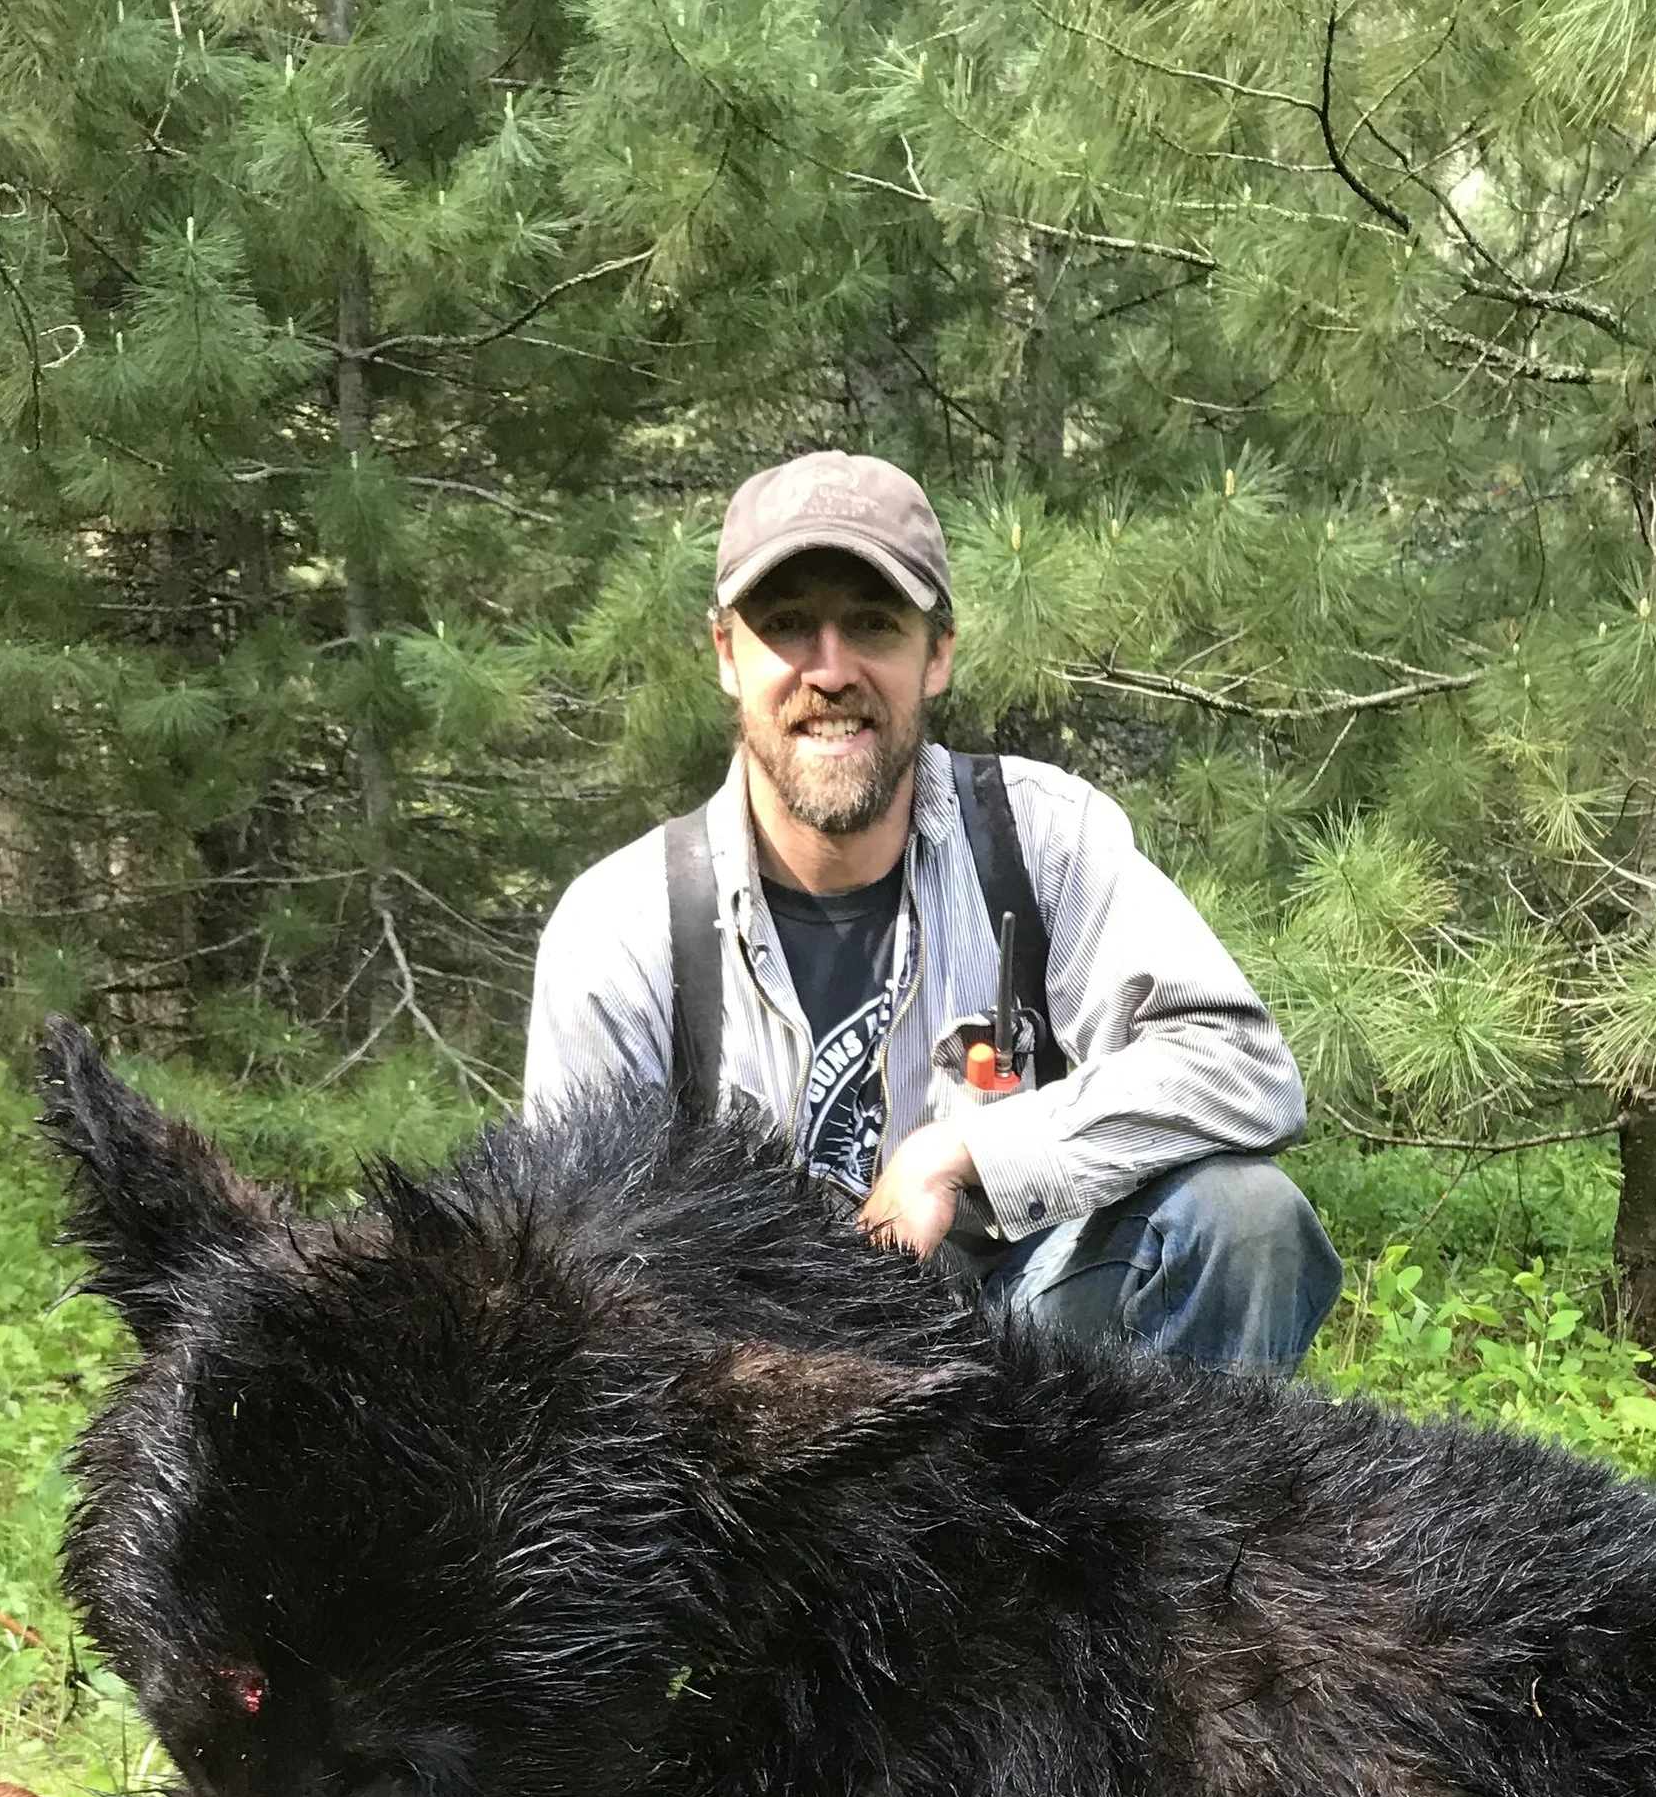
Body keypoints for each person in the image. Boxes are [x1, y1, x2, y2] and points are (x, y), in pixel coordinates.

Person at [522, 451, 1341, 1370]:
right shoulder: (620, 932)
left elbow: (1244, 1067)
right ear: (726, 654)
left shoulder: (1040, 837)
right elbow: (573, 1277)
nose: (830, 672)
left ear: (938, 651)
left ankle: (1171, 1517)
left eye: (872, 623)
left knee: (1245, 1220)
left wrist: (962, 1153)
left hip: (1026, 1360)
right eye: (788, 625)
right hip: (750, 1406)